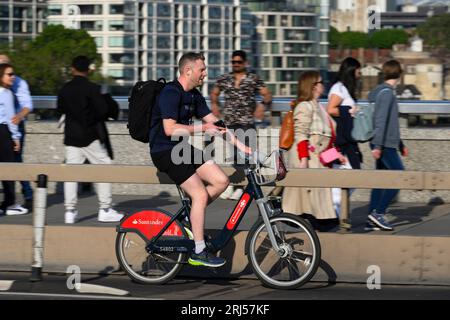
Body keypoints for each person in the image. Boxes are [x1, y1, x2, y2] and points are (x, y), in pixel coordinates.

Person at [150, 52, 250, 267]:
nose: (205, 73)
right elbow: (169, 129)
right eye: (202, 69)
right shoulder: (170, 92)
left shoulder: (194, 96)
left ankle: (188, 219)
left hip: (181, 148)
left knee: (221, 181)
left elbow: (218, 124)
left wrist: (245, 148)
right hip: (164, 151)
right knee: (200, 195)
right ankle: (199, 250)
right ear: (188, 71)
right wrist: (204, 128)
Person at [57, 56, 123, 224]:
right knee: (104, 166)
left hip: (71, 136)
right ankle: (105, 208)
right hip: (90, 136)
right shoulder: (92, 88)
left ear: (72, 69)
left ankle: (69, 211)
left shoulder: (65, 89)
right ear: (88, 70)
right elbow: (102, 111)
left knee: (71, 173)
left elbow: (60, 108)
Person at [282, 71, 345, 228]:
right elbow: (301, 134)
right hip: (310, 161)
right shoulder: (305, 106)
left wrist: (335, 154)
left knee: (318, 209)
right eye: (320, 82)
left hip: (320, 162)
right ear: (312, 86)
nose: (323, 85)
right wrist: (304, 160)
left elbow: (326, 138)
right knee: (313, 209)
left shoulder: (319, 107)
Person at [210, 50, 272, 200]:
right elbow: (214, 93)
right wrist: (214, 104)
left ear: (245, 63)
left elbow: (267, 94)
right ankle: (237, 186)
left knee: (248, 156)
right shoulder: (225, 78)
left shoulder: (253, 78)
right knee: (236, 156)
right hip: (230, 123)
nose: (235, 64)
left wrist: (262, 106)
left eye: (238, 62)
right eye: (233, 62)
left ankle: (242, 187)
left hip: (246, 123)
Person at [365, 60, 409, 231]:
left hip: (386, 143)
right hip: (383, 145)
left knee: (380, 181)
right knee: (399, 178)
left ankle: (371, 219)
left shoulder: (383, 92)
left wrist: (401, 144)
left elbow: (391, 123)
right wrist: (377, 146)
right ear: (398, 74)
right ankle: (379, 213)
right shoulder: (387, 94)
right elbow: (381, 121)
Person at [0, 54, 34, 211]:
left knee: (16, 161)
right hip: (6, 128)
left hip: (15, 126)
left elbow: (27, 106)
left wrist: (18, 117)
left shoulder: (19, 83)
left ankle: (27, 195)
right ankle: (10, 200)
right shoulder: (5, 91)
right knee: (9, 164)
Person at [327, 57, 363, 169]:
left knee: (352, 178)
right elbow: (330, 109)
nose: (359, 74)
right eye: (358, 71)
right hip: (341, 142)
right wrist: (349, 111)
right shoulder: (339, 89)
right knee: (344, 180)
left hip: (347, 140)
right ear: (351, 71)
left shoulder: (345, 89)